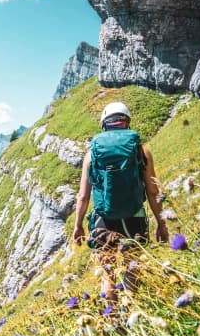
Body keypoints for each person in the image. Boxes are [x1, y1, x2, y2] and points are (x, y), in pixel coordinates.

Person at [72, 102, 168, 302]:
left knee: (107, 273)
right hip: (135, 217)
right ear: (127, 123)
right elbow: (152, 191)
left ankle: (114, 321)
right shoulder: (141, 151)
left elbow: (83, 196)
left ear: (104, 125)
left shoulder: (91, 155)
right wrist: (162, 224)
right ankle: (134, 314)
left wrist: (78, 226)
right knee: (132, 269)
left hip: (104, 221)